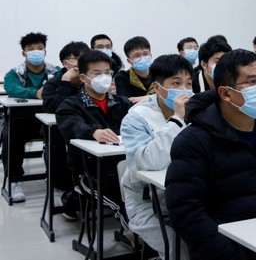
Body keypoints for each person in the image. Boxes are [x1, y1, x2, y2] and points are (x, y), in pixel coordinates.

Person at [165, 49, 256, 260]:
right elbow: (186, 213)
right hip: (230, 249)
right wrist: (230, 255)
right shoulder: (193, 141)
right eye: (252, 82)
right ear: (226, 93)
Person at [120, 55, 193, 260]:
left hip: (187, 194)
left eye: (189, 83)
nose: (184, 90)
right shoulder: (136, 117)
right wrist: (177, 120)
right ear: (157, 87)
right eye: (176, 83)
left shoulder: (197, 110)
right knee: (179, 251)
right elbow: (149, 162)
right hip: (147, 203)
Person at [56, 50, 131, 229]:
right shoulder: (71, 105)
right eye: (97, 73)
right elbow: (71, 125)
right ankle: (136, 238)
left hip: (125, 167)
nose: (104, 77)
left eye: (107, 73)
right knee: (124, 205)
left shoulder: (122, 103)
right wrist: (93, 132)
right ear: (83, 78)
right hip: (91, 173)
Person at [2, 32, 61, 203]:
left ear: (45, 51)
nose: (36, 52)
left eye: (40, 48)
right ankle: (14, 180)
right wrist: (36, 93)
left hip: (48, 117)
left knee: (60, 135)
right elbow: (12, 88)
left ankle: (56, 177)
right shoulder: (14, 73)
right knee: (11, 136)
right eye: (31, 49)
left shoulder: (57, 71)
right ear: (24, 53)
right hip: (22, 119)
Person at [41, 41, 90, 219]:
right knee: (61, 153)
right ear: (65, 63)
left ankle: (88, 190)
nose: (81, 62)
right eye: (76, 59)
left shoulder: (90, 80)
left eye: (84, 58)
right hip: (60, 134)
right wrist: (65, 83)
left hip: (87, 130)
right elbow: (54, 109)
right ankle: (69, 192)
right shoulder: (53, 84)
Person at [114, 36, 155, 103]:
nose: (142, 58)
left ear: (150, 55)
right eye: (137, 56)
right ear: (129, 61)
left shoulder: (160, 73)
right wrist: (155, 97)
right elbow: (125, 102)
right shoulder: (122, 77)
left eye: (145, 54)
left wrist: (148, 98)